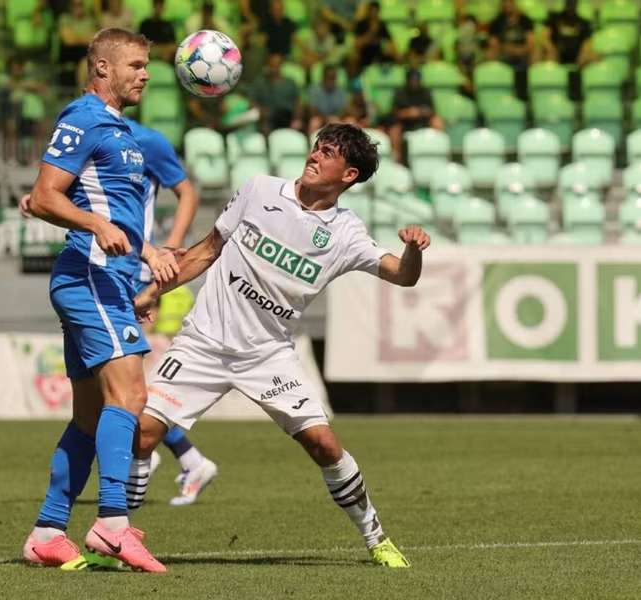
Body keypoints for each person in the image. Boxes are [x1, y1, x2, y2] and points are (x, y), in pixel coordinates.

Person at [130, 123, 427, 569]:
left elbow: (403, 276)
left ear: (348, 176)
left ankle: (376, 536)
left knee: (325, 447)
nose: (315, 155)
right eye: (317, 146)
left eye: (329, 153)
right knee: (141, 436)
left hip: (268, 355)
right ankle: (115, 537)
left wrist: (413, 251)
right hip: (203, 343)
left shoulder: (345, 233)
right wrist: (157, 288)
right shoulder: (258, 190)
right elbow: (207, 250)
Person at [18, 28, 177, 574]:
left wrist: (146, 254)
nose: (145, 73)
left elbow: (106, 207)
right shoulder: (84, 118)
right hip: (88, 277)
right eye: (135, 64)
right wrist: (92, 223)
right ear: (102, 68)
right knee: (130, 397)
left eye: (146, 65)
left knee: (89, 416)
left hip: (109, 279)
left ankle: (46, 531)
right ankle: (112, 525)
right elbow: (44, 196)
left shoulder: (122, 131)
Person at [124, 118, 218, 507]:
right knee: (109, 388)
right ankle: (187, 459)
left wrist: (171, 248)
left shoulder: (144, 140)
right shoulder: (85, 130)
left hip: (131, 273)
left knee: (120, 386)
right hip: (97, 270)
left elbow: (186, 192)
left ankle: (154, 457)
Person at [388, 68, 443, 162]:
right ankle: (397, 159)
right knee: (394, 130)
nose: (414, 82)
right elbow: (394, 113)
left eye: (416, 80)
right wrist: (407, 113)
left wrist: (419, 112)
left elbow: (431, 111)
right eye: (412, 80)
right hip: (405, 124)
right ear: (407, 80)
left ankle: (439, 152)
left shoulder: (426, 92)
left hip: (422, 122)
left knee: (437, 121)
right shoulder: (400, 93)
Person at [488, 0, 534, 99]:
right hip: (503, 53)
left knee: (535, 52)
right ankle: (496, 87)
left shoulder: (525, 21)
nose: (507, 5)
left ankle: (528, 90)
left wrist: (520, 50)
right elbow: (493, 43)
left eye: (510, 2)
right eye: (505, 2)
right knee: (491, 52)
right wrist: (507, 49)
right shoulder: (496, 22)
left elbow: (530, 43)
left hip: (522, 54)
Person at [248, 53, 303, 132]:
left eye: (276, 65)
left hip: (287, 118)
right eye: (272, 65)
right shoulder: (259, 83)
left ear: (281, 65)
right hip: (267, 119)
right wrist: (262, 112)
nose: (274, 68)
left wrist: (297, 118)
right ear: (267, 66)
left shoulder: (290, 83)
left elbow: (298, 102)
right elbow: (252, 102)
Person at [351, 1, 395, 74]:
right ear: (368, 11)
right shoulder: (361, 24)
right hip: (364, 54)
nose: (373, 14)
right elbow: (357, 44)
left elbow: (390, 42)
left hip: (378, 55)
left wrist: (392, 51)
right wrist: (371, 32)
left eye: (376, 11)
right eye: (372, 11)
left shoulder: (382, 25)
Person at [307, 64, 347, 135]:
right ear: (323, 77)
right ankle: (313, 144)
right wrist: (326, 119)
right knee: (314, 122)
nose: (331, 80)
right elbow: (312, 109)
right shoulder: (314, 89)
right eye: (329, 77)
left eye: (333, 77)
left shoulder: (341, 91)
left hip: (336, 119)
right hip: (320, 118)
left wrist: (335, 117)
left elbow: (343, 109)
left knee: (350, 121)